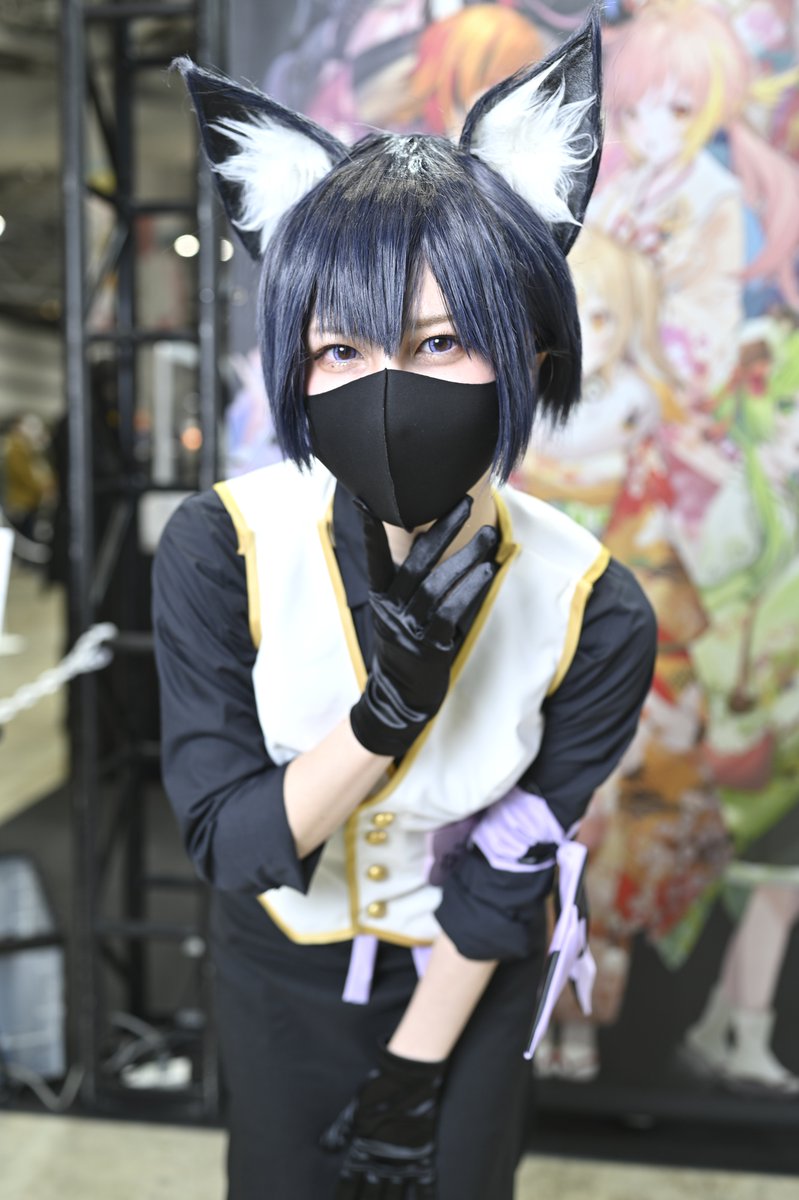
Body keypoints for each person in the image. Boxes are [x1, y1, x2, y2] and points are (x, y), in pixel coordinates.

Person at [153, 14, 656, 1199]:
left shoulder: (594, 607)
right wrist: (385, 715)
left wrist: (414, 1069)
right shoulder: (221, 547)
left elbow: (512, 861)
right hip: (280, 972)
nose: (386, 389)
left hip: (467, 980)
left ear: (529, 354)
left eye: (439, 341)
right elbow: (236, 846)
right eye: (339, 349)